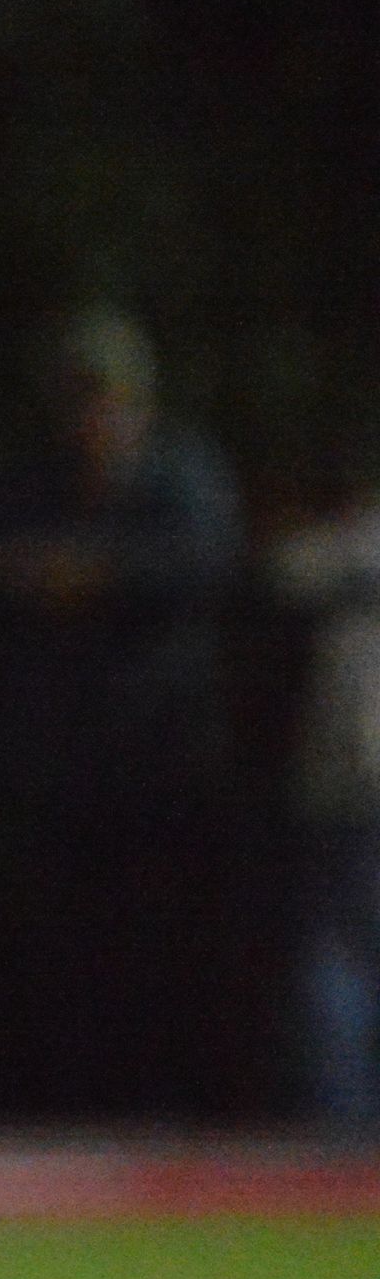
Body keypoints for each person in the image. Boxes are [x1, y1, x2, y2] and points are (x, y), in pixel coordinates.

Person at [0, 307, 245, 1103]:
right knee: (61, 947)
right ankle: (70, 1104)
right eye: (78, 396)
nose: (92, 414)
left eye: (105, 395)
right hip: (61, 763)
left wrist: (93, 574)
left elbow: (206, 565)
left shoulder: (180, 474)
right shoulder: (34, 483)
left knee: (162, 943)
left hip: (161, 755)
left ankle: (167, 1106)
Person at [267, 440, 380, 1131]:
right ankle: (344, 1121)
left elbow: (280, 568)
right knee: (340, 957)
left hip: (345, 781)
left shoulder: (336, 550)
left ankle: (342, 1127)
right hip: (345, 783)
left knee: (336, 956)